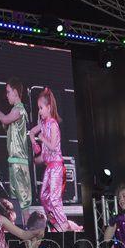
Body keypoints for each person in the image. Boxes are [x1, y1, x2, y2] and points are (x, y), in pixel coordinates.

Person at [29, 87, 82, 232]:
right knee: (43, 196)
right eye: (38, 108)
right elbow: (32, 132)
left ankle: (63, 224)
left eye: (41, 108)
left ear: (49, 107)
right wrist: (34, 143)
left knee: (54, 198)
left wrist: (42, 139)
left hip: (57, 167)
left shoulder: (53, 124)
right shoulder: (43, 124)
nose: (39, 111)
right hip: (49, 167)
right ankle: (55, 221)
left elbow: (53, 146)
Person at [0, 78, 32, 222]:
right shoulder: (14, 110)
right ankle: (19, 225)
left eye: (8, 92)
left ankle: (27, 225)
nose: (7, 95)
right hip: (14, 160)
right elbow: (6, 123)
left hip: (19, 160)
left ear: (15, 92)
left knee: (23, 199)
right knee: (15, 198)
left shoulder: (19, 109)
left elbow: (6, 119)